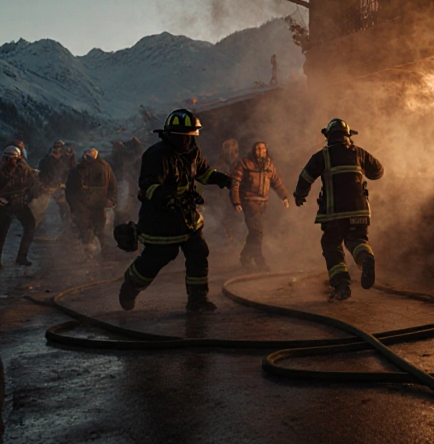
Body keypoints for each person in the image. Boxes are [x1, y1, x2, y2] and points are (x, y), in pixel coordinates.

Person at [118, 110, 232, 313]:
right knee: (159, 258)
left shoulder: (193, 152)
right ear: (171, 135)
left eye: (190, 136)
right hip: (161, 220)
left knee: (199, 253)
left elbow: (203, 172)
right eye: (183, 137)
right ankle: (131, 286)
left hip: (187, 218)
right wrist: (170, 195)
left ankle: (197, 300)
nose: (187, 141)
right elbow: (149, 187)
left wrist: (223, 179)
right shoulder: (156, 155)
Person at [293, 119, 384, 302]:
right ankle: (365, 257)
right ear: (348, 135)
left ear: (328, 136)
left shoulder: (322, 156)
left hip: (334, 213)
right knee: (357, 240)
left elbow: (305, 178)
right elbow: (378, 171)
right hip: (359, 212)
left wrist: (300, 195)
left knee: (331, 245)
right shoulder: (359, 152)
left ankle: (341, 285)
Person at [231, 141, 291, 271]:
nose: (260, 151)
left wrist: (284, 197)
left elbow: (276, 182)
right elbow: (235, 183)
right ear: (253, 150)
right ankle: (259, 260)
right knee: (257, 232)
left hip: (263, 204)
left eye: (263, 149)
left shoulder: (269, 165)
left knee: (255, 233)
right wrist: (236, 201)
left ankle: (245, 257)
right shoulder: (245, 164)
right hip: (249, 202)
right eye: (258, 149)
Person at [0, 145, 43, 268]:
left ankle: (22, 257)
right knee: (2, 230)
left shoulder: (24, 170)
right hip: (5, 203)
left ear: (17, 159)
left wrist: (32, 193)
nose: (8, 161)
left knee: (30, 225)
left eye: (11, 158)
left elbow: (34, 183)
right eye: (6, 158)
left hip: (19, 202)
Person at [65, 148, 118, 258]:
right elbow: (69, 190)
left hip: (99, 205)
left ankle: (103, 251)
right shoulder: (78, 170)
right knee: (85, 230)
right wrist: (74, 206)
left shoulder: (104, 167)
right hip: (82, 205)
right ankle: (88, 255)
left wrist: (111, 199)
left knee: (100, 230)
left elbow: (113, 185)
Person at [38, 139, 74, 232]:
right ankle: (38, 227)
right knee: (41, 207)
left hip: (59, 186)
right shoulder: (47, 160)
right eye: (56, 149)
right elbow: (42, 172)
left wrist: (71, 156)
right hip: (48, 186)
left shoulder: (65, 159)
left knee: (64, 207)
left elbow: (71, 170)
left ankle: (66, 227)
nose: (58, 151)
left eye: (60, 149)